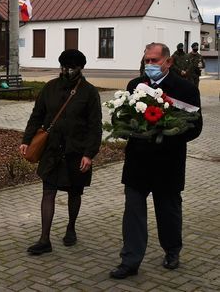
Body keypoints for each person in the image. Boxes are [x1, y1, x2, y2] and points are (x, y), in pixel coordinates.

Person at [110, 42, 203, 279]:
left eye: (155, 61)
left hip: (168, 162)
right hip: (138, 162)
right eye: (147, 61)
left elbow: (195, 127)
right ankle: (130, 261)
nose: (149, 65)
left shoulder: (185, 88)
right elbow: (122, 117)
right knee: (133, 213)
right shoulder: (135, 85)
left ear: (168, 62)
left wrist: (166, 133)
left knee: (168, 211)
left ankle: (172, 251)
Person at [19, 49, 102, 255]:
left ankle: (71, 227)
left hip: (76, 151)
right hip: (52, 150)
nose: (66, 71)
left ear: (80, 68)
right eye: (64, 67)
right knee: (48, 192)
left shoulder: (89, 92)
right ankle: (44, 239)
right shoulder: (50, 88)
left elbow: (95, 126)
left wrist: (89, 154)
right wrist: (27, 140)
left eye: (71, 68)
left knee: (75, 191)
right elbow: (37, 115)